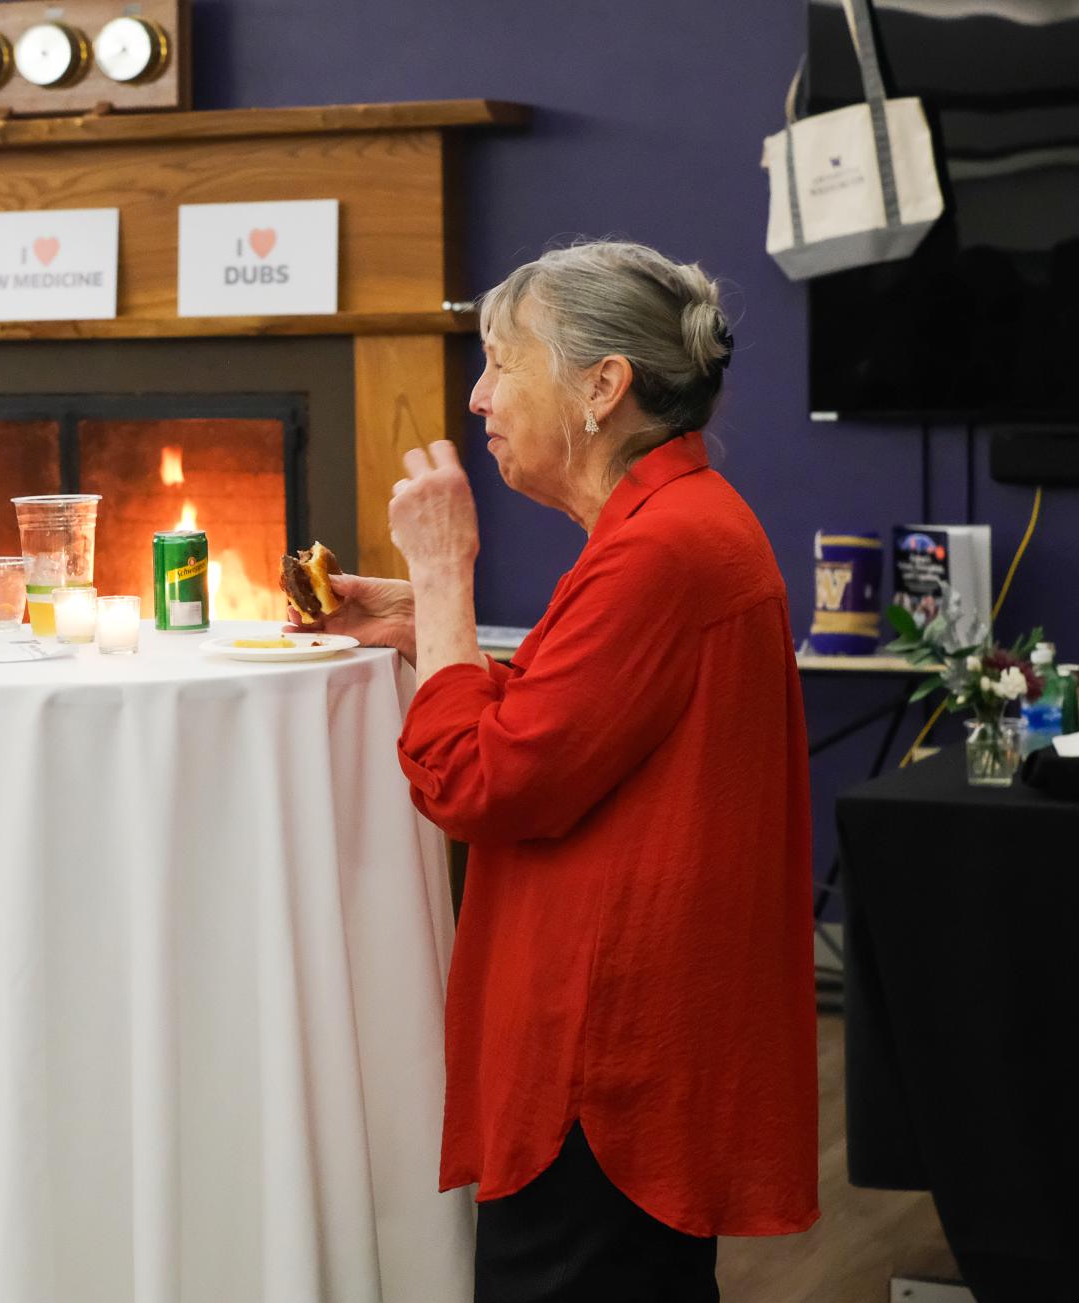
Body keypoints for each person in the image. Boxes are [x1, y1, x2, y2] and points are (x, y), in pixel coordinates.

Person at [307, 241, 818, 1301]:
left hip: (603, 1055)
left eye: (503, 362)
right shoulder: (671, 522)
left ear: (603, 387)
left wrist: (444, 576)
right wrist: (423, 625)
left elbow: (481, 782)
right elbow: (579, 717)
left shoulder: (659, 547)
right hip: (632, 1036)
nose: (481, 395)